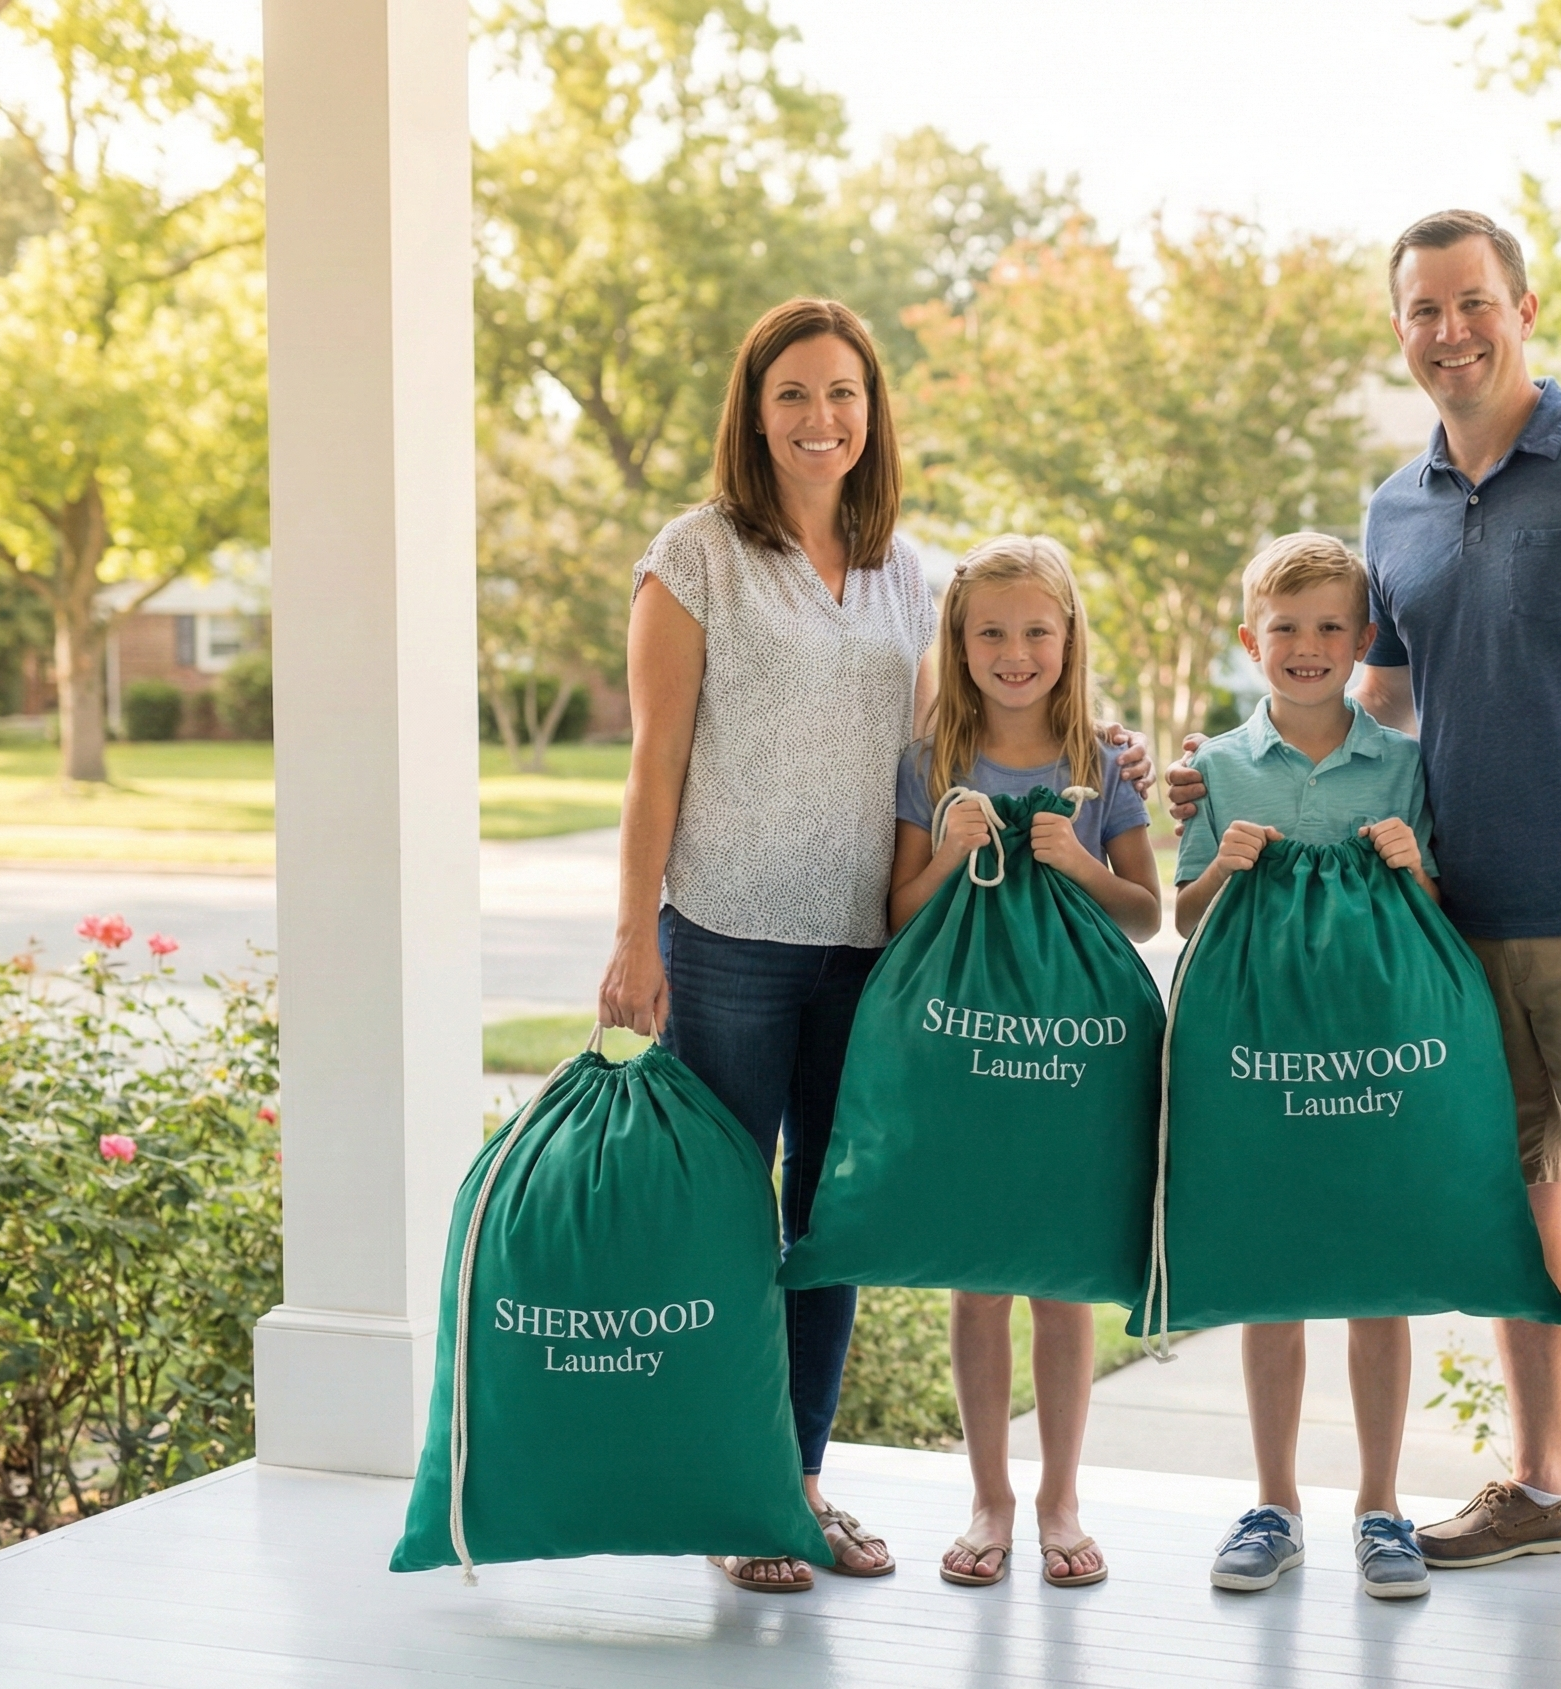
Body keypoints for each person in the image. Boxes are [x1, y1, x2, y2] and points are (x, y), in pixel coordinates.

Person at [1169, 212, 1561, 1622]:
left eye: (1473, 302)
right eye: (1424, 311)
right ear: (1401, 331)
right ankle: (1547, 1482)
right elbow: (1365, 706)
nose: (1451, 331)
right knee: (1508, 1207)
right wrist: (1235, 761)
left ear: (1524, 307)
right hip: (1444, 927)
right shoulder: (1395, 510)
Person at [597, 298, 1148, 1594]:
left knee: (825, 1226)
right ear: (754, 408)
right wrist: (636, 935)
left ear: (872, 412)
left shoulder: (918, 571)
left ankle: (795, 1486)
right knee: (735, 1223)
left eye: (843, 392)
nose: (819, 417)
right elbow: (650, 762)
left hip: (877, 947)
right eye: (792, 392)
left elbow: (1011, 680)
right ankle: (734, 1491)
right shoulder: (695, 558)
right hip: (727, 934)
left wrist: (1106, 752)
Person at [888, 534, 1161, 1589]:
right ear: (957, 644)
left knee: (1058, 1283)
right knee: (975, 1279)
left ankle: (1059, 1497)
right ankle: (987, 1496)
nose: (1014, 652)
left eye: (1034, 631)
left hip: (1075, 1055)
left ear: (1068, 637)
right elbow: (899, 915)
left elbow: (1144, 914)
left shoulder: (1098, 766)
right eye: (990, 632)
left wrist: (1083, 863)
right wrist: (952, 852)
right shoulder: (928, 767)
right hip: (963, 1051)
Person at [1178, 532, 1441, 1604]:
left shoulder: (1405, 764)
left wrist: (1413, 866)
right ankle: (1272, 1502)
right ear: (1251, 640)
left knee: (1378, 1279)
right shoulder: (1220, 766)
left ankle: (1380, 1506)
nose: (1307, 645)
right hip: (1259, 1058)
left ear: (1363, 638)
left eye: (1331, 625)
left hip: (1374, 1054)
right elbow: (1187, 917)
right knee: (1273, 1278)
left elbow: (1433, 922)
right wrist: (1222, 871)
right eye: (1284, 627)